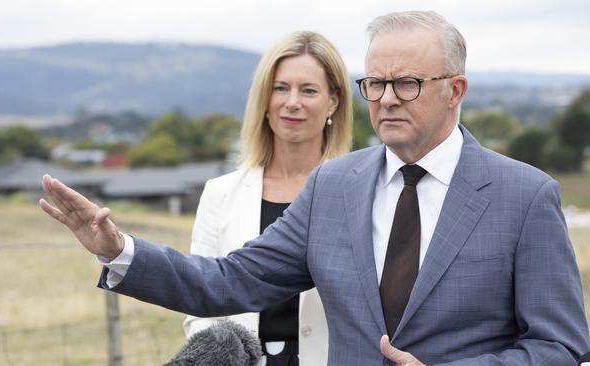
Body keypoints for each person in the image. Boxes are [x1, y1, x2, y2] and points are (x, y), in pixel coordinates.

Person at [40, 10, 590, 365]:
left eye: (407, 82)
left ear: (456, 89)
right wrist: (119, 251)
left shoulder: (525, 196)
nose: (387, 98)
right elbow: (230, 280)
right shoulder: (334, 186)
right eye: (375, 82)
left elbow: (560, 346)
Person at [182, 31, 352, 366]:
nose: (292, 102)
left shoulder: (358, 191)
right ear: (264, 98)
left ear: (333, 102)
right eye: (281, 88)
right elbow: (200, 298)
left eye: (309, 90)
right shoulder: (220, 193)